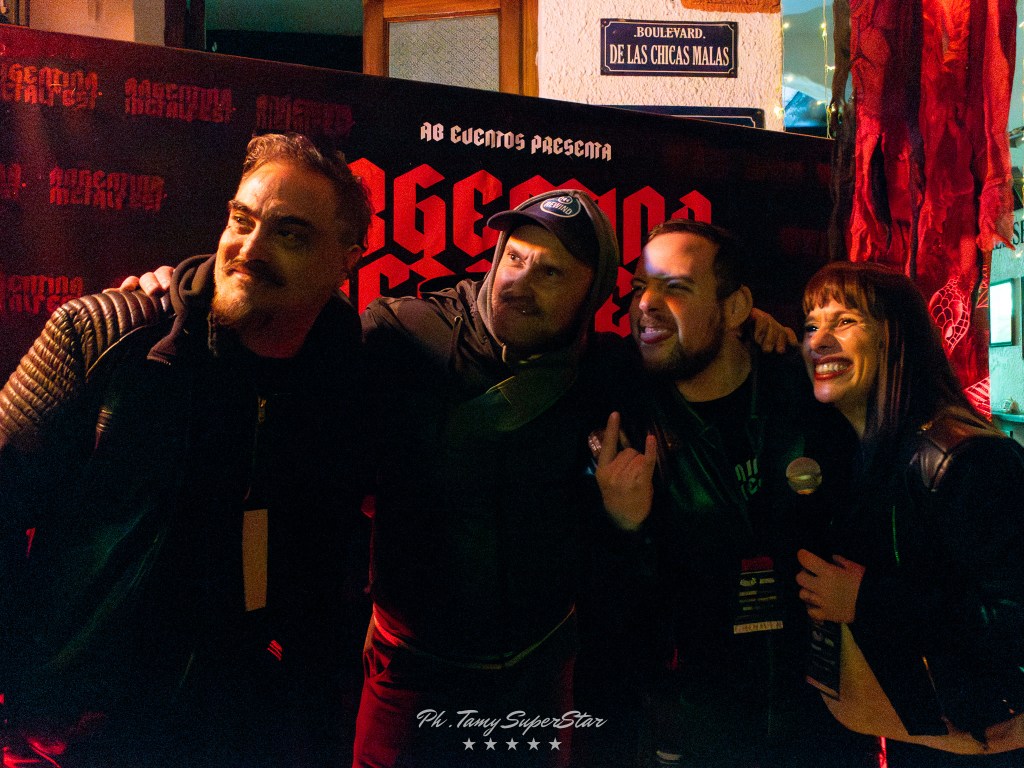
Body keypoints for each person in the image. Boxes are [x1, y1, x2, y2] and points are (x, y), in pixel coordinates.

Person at [0, 133, 373, 767]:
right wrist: (26, 693)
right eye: (242, 220)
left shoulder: (345, 380)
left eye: (290, 234)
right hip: (74, 737)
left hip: (239, 733)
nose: (249, 248)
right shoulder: (105, 334)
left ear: (347, 259)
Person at [593, 219, 879, 767]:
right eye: (639, 287)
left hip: (825, 724)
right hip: (693, 731)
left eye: (676, 287)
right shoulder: (620, 405)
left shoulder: (806, 390)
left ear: (735, 307)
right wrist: (626, 528)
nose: (645, 303)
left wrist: (873, 599)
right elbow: (610, 610)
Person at [796, 261, 1024, 768]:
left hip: (984, 746)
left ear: (896, 337)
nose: (818, 341)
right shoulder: (865, 453)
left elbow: (1013, 618)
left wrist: (866, 600)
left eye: (845, 321)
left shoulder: (963, 458)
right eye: (810, 326)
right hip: (918, 740)